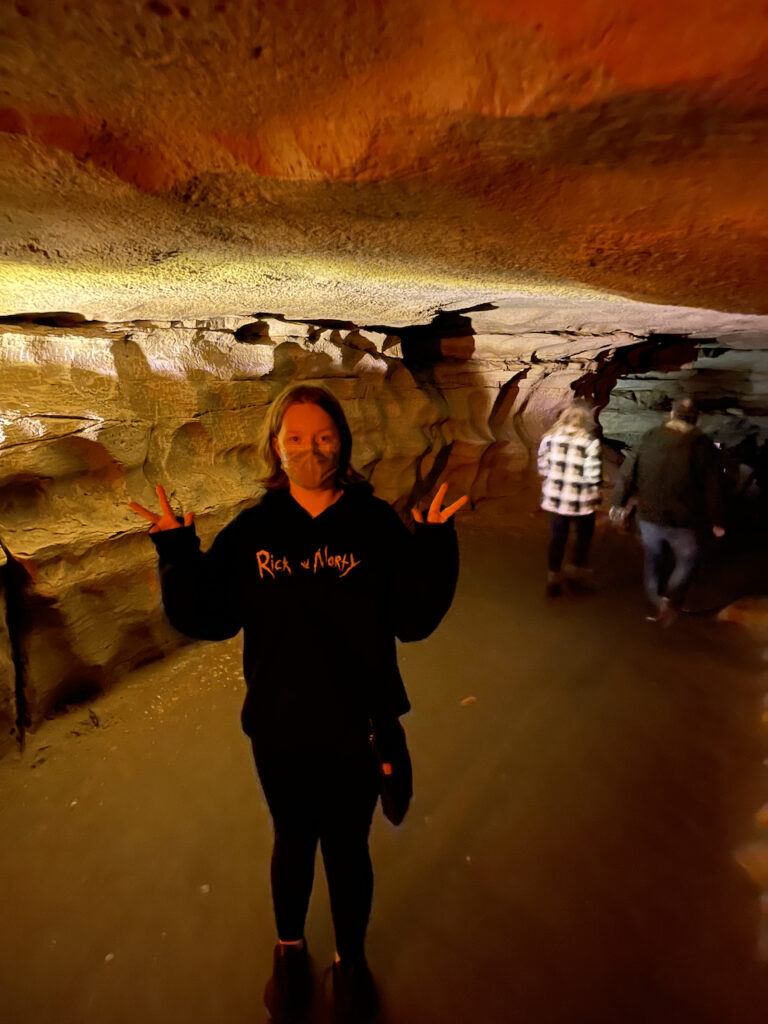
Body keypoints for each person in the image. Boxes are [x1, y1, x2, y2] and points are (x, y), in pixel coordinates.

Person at [129, 383, 467, 1024]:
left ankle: (350, 959)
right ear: (275, 449)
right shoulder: (254, 529)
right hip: (279, 730)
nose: (311, 450)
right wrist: (177, 551)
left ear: (342, 443)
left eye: (324, 438)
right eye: (296, 439)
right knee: (292, 841)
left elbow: (414, 618)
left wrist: (432, 543)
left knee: (346, 849)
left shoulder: (373, 526)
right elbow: (210, 616)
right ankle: (289, 952)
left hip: (357, 728)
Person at [610, 396, 725, 627]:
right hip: (685, 520)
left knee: (653, 559)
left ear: (672, 415)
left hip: (650, 515)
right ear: (696, 419)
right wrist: (717, 520)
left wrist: (617, 502)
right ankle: (671, 598)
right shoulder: (702, 445)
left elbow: (628, 473)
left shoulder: (651, 437)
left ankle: (657, 599)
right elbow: (713, 487)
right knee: (687, 560)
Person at [537, 401, 602, 597]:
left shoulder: (548, 439)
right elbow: (592, 475)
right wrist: (597, 493)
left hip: (555, 499)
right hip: (580, 501)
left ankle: (553, 575)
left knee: (557, 537)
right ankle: (575, 570)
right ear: (584, 421)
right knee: (583, 536)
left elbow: (542, 467)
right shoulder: (589, 442)